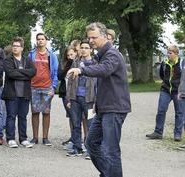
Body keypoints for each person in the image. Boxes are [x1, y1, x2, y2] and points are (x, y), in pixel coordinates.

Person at [67, 22, 131, 176]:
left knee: (111, 149)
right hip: (103, 107)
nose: (91, 41)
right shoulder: (101, 55)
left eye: (94, 37)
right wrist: (98, 102)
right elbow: (104, 82)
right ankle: (108, 173)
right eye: (89, 38)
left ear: (104, 36)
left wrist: (82, 70)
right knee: (91, 143)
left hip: (115, 109)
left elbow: (104, 70)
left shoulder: (112, 55)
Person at [2, 37, 36, 148]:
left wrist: (19, 72)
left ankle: (23, 139)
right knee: (11, 116)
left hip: (24, 93)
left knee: (23, 117)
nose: (15, 48)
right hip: (12, 93)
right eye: (13, 46)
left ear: (22, 48)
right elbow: (11, 74)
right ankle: (11, 139)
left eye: (17, 46)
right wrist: (25, 75)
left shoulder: (27, 60)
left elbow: (33, 72)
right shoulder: (8, 60)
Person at [66, 40, 98, 157]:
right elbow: (70, 81)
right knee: (75, 124)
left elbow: (98, 84)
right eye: (82, 47)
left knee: (90, 125)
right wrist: (69, 98)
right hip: (75, 98)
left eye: (86, 47)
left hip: (89, 100)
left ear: (91, 49)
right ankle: (77, 148)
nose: (84, 50)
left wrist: (96, 101)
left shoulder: (96, 64)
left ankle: (90, 151)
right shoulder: (75, 62)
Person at [27, 32, 59, 146]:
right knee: (35, 112)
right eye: (38, 39)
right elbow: (27, 69)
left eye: (42, 39)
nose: (40, 41)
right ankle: (35, 137)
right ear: (36, 41)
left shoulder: (52, 55)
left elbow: (55, 70)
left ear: (46, 41)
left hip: (47, 87)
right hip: (34, 86)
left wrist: (54, 85)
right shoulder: (31, 54)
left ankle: (45, 137)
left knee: (46, 112)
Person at [146, 45, 183, 141]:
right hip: (165, 90)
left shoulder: (181, 63)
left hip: (177, 91)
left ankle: (177, 134)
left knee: (179, 112)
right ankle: (158, 132)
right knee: (161, 111)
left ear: (176, 54)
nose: (168, 55)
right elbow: (162, 75)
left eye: (170, 53)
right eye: (168, 53)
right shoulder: (164, 63)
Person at [59, 47, 76, 146]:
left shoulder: (79, 64)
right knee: (71, 116)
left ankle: (81, 138)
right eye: (68, 55)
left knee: (79, 117)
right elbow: (60, 76)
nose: (70, 57)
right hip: (65, 93)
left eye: (72, 54)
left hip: (75, 94)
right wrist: (68, 64)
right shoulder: (64, 64)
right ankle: (73, 137)